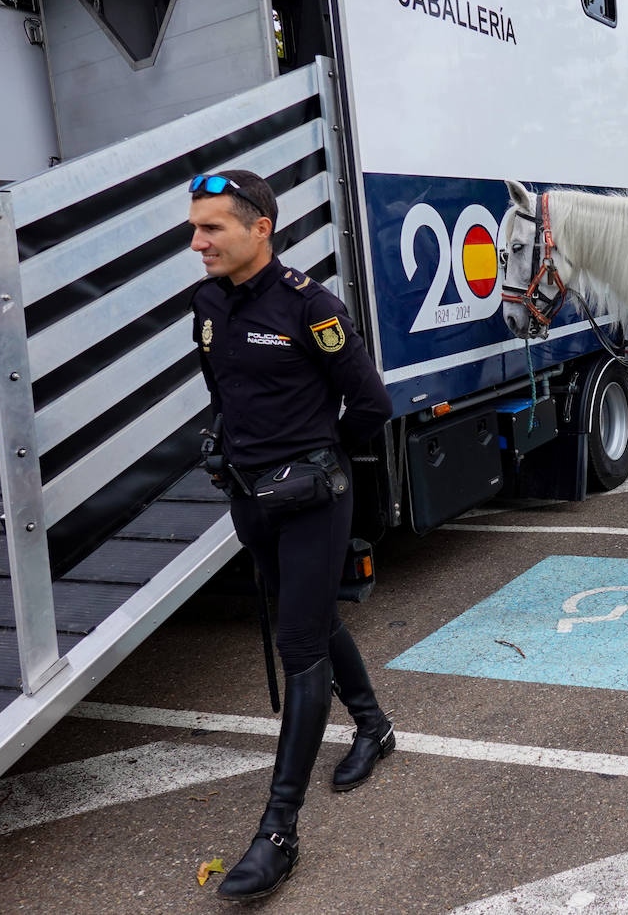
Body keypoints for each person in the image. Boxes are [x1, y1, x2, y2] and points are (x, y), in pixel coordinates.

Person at [188, 170, 396, 899]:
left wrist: (319, 454)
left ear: (260, 229)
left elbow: (371, 403)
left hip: (312, 498)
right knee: (308, 618)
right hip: (248, 496)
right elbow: (224, 388)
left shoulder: (312, 306)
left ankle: (279, 831)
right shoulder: (208, 301)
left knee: (299, 643)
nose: (198, 242)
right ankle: (372, 725)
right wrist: (223, 443)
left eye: (212, 228)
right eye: (196, 226)